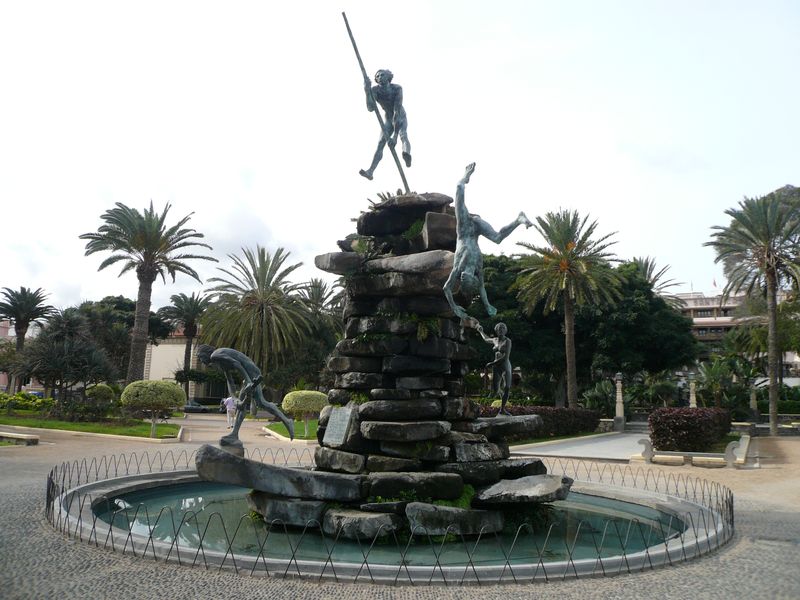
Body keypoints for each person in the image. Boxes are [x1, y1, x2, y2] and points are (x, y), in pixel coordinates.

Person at [443, 162, 533, 319]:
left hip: (464, 227)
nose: (464, 277)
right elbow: (482, 288)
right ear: (473, 279)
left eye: (464, 280)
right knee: (497, 238)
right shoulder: (478, 266)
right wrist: (488, 306)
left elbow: (446, 288)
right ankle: (519, 220)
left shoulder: (458, 268)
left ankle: (465, 176)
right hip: (476, 227)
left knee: (459, 188)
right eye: (468, 280)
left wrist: (454, 308)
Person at [196, 345, 294, 443]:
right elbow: (229, 380)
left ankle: (287, 421)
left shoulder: (215, 355)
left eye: (200, 357)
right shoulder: (218, 360)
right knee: (243, 405)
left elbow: (237, 364)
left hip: (251, 372)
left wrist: (248, 381)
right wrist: (234, 398)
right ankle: (234, 434)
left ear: (205, 354)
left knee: (261, 402)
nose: (201, 361)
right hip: (249, 373)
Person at [359, 69, 411, 180]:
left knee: (403, 135)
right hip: (388, 117)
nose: (380, 77)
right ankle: (370, 171)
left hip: (399, 116)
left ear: (388, 77)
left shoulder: (397, 88)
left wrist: (394, 138)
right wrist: (367, 91)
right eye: (377, 76)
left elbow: (396, 111)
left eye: (382, 75)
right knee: (381, 143)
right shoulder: (375, 90)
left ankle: (406, 153)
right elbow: (370, 108)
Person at [476, 322, 513, 415]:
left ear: (505, 330)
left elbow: (505, 357)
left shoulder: (507, 341)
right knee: (496, 390)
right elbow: (486, 339)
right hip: (497, 367)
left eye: (503, 328)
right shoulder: (495, 340)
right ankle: (501, 396)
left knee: (507, 387)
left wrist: (492, 363)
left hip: (505, 366)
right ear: (496, 330)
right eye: (499, 328)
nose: (501, 330)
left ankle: (502, 409)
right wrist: (481, 331)